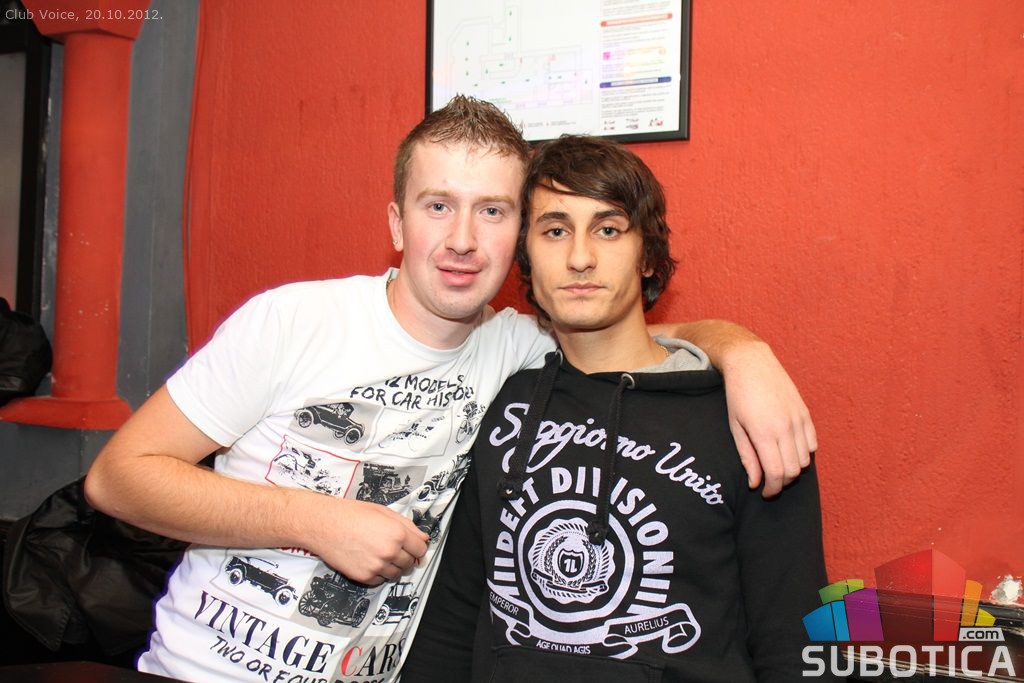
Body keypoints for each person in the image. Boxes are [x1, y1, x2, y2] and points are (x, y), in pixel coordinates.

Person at [84, 97, 816, 683]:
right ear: (396, 222)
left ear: (513, 235)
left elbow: (621, 331)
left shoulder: (516, 349)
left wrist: (742, 351)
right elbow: (117, 478)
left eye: (491, 211)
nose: (463, 239)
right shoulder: (295, 320)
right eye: (438, 206)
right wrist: (317, 520)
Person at [402, 135, 836, 682]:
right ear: (525, 257)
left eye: (608, 230)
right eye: (555, 231)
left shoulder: (745, 416)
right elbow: (452, 618)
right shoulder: (502, 402)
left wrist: (744, 351)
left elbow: (797, 645)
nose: (580, 257)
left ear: (648, 256)